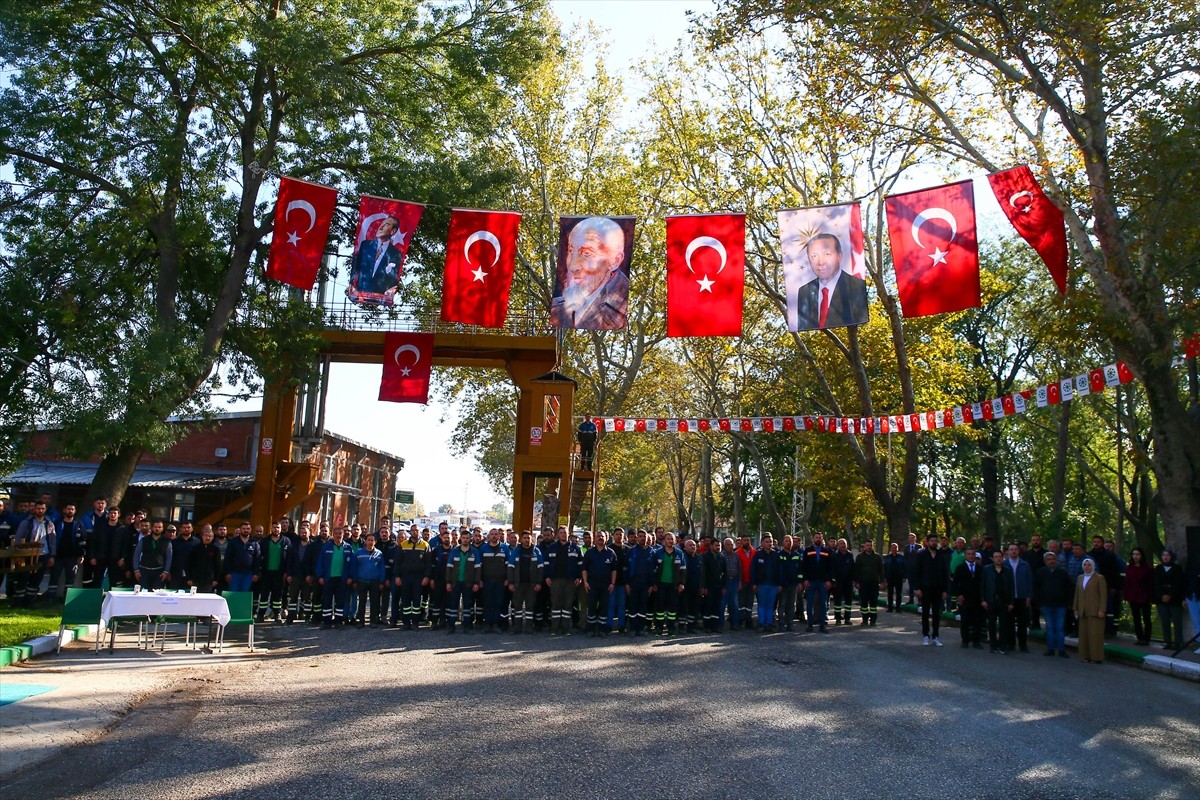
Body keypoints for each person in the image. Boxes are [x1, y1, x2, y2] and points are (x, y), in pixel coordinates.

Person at [550, 216, 629, 330]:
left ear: (615, 261)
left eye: (587, 254)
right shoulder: (558, 307)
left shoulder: (620, 309)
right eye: (571, 251)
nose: (573, 266)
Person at [794, 233, 868, 329]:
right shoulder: (804, 291)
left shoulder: (856, 287)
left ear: (839, 256)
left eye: (827, 254)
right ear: (809, 260)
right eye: (814, 256)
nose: (821, 262)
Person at [13, 500, 56, 606]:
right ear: (34, 509)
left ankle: (30, 600)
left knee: (37, 579)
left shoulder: (49, 523)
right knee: (23, 578)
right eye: (38, 508)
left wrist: (52, 556)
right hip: (27, 554)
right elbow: (18, 538)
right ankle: (19, 601)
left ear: (45, 509)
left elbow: (52, 541)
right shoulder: (26, 522)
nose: (40, 510)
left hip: (43, 554)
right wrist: (18, 554)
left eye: (42, 508)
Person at [351, 215, 403, 296]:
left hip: (380, 296)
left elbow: (393, 278)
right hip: (360, 293)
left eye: (386, 225)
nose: (380, 227)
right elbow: (356, 266)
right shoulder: (365, 245)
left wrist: (392, 289)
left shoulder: (395, 254)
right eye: (381, 223)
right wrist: (351, 284)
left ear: (393, 231)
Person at [1034, 550, 1073, 658]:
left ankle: (1061, 650)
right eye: (1049, 559)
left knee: (1060, 628)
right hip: (1046, 605)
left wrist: (1069, 603)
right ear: (1045, 561)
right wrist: (1038, 603)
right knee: (1050, 627)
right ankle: (1050, 649)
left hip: (1061, 605)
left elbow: (1069, 588)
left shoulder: (1063, 573)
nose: (1051, 561)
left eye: (1053, 559)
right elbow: (1036, 588)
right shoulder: (1040, 572)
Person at [315, 526, 356, 628]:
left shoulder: (348, 547)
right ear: (333, 535)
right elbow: (320, 562)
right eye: (336, 533)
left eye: (340, 534)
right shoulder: (326, 547)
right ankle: (326, 622)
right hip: (328, 579)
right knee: (327, 601)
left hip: (342, 579)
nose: (338, 535)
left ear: (343, 535)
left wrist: (351, 577)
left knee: (340, 601)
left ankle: (339, 621)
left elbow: (353, 564)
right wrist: (320, 576)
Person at [507, 530, 544, 634]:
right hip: (518, 584)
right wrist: (511, 582)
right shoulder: (516, 551)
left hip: (531, 584)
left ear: (531, 539)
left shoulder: (536, 551)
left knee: (530, 607)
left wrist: (539, 583)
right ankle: (517, 628)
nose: (527, 540)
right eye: (525, 538)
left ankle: (529, 628)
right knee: (517, 607)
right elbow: (510, 567)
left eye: (528, 538)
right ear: (521, 539)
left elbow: (541, 568)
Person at [394, 525, 430, 630]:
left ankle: (415, 623)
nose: (415, 532)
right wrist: (397, 576)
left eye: (417, 531)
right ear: (410, 532)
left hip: (419, 577)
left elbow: (428, 564)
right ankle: (406, 623)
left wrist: (427, 577)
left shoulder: (425, 545)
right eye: (413, 530)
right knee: (405, 600)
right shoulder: (403, 544)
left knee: (416, 600)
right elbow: (397, 562)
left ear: (420, 532)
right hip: (405, 577)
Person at [914, 534, 948, 646]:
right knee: (925, 613)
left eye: (935, 541)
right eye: (931, 541)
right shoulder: (921, 555)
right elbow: (916, 572)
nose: (934, 542)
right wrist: (917, 588)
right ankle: (925, 635)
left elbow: (944, 574)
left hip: (938, 588)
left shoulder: (941, 555)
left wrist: (944, 590)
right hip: (925, 588)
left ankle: (936, 636)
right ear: (927, 542)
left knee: (936, 614)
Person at [582, 531, 617, 637]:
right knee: (591, 606)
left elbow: (614, 570)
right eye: (598, 536)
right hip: (592, 584)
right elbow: (584, 569)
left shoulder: (611, 553)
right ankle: (591, 629)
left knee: (604, 606)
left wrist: (612, 583)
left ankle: (602, 629)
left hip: (606, 585)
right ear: (595, 539)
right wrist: (585, 582)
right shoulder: (589, 552)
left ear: (606, 538)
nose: (600, 538)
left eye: (602, 536)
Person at [650, 533, 686, 636]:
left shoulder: (679, 553)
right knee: (660, 608)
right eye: (668, 539)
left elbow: (683, 570)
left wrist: (681, 583)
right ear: (664, 541)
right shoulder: (658, 553)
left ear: (675, 541)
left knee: (672, 609)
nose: (670, 541)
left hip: (673, 585)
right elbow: (653, 570)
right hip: (660, 584)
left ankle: (671, 629)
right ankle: (659, 628)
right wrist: (654, 583)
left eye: (672, 539)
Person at [445, 534, 481, 634]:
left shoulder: (474, 552)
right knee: (453, 604)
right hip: (455, 582)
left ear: (470, 539)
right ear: (461, 539)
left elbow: (478, 569)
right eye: (463, 538)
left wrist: (476, 583)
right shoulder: (454, 551)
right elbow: (449, 567)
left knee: (467, 605)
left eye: (467, 538)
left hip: (468, 583)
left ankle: (467, 627)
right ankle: (451, 627)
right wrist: (448, 582)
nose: (465, 540)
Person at [1074, 557, 1108, 663]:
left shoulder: (1099, 578)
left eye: (1089, 565)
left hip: (1095, 610)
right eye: (1085, 565)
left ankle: (1096, 657)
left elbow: (1103, 595)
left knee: (1095, 635)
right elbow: (1077, 594)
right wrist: (1076, 608)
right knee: (1084, 635)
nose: (1087, 567)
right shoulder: (1080, 578)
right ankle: (1085, 655)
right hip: (1083, 610)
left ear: (1093, 566)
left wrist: (1102, 609)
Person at [477, 528, 510, 633]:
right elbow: (479, 566)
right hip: (487, 581)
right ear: (489, 536)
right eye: (492, 534)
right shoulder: (483, 549)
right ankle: (487, 624)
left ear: (499, 536)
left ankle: (495, 624)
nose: (494, 536)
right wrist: (480, 580)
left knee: (498, 603)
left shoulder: (504, 548)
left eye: (496, 534)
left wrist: (507, 579)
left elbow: (509, 566)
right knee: (487, 603)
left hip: (500, 581)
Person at [257, 522, 290, 623]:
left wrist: (287, 571)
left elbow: (290, 558)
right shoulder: (264, 541)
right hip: (266, 573)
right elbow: (258, 557)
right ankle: (261, 614)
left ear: (281, 529)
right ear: (271, 528)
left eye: (278, 528)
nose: (276, 529)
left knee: (277, 596)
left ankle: (277, 614)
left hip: (279, 574)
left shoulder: (286, 541)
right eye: (274, 527)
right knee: (264, 595)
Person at [981, 549, 1012, 654]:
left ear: (1003, 558)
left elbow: (1012, 587)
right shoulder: (987, 570)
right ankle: (993, 645)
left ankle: (1002, 645)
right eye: (996, 557)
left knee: (1004, 624)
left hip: (1004, 600)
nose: (998, 559)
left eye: (1000, 556)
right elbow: (982, 586)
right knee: (992, 624)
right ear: (992, 559)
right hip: (991, 600)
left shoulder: (1008, 570)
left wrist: (1011, 602)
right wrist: (983, 600)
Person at [1004, 542, 1034, 653]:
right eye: (1011, 549)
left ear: (1018, 551)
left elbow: (1029, 581)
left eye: (1015, 549)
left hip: (1022, 598)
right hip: (1009, 599)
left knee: (1022, 623)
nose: (1013, 551)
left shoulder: (1024, 565)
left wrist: (1029, 596)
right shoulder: (1004, 564)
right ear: (1008, 551)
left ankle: (1023, 644)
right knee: (1009, 623)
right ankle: (1010, 644)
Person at [952, 547, 984, 648]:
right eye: (969, 554)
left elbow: (983, 584)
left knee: (977, 621)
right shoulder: (960, 568)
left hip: (977, 598)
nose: (971, 556)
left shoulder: (980, 568)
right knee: (965, 620)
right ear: (965, 556)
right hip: (964, 598)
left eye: (973, 554)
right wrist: (959, 595)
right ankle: (965, 640)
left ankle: (976, 641)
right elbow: (955, 583)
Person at [1153, 549, 1185, 650]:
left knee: (1177, 621)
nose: (1165, 557)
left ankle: (1178, 642)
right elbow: (1156, 583)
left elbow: (1179, 584)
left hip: (1175, 599)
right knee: (1165, 621)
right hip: (1161, 599)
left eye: (1167, 555)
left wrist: (1170, 595)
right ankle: (1167, 642)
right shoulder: (1158, 568)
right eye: (1163, 555)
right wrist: (1162, 595)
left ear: (1171, 557)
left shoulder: (1177, 568)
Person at [353, 534, 386, 626]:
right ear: (365, 541)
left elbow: (382, 568)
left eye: (372, 540)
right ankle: (361, 621)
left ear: (375, 542)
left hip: (375, 581)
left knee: (374, 602)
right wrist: (354, 580)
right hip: (361, 580)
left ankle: (373, 621)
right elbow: (354, 567)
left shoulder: (379, 554)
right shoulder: (359, 553)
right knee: (362, 601)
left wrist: (382, 581)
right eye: (368, 540)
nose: (370, 542)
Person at [1123, 547, 1154, 645]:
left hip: (1144, 596)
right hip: (1133, 596)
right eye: (1134, 554)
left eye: (1138, 554)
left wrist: (1151, 597)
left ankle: (1147, 638)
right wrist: (1126, 595)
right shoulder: (1130, 568)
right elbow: (1127, 582)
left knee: (1146, 618)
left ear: (1141, 555)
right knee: (1136, 618)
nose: (1135, 556)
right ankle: (1139, 637)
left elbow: (1150, 584)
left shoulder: (1147, 568)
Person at [803, 534, 833, 633]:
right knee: (809, 603)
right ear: (813, 539)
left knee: (823, 604)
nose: (818, 539)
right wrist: (805, 579)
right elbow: (804, 566)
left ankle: (822, 625)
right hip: (811, 581)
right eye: (816, 537)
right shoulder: (807, 551)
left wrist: (829, 580)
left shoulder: (827, 551)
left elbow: (830, 568)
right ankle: (810, 624)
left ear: (822, 539)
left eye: (820, 537)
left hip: (823, 581)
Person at [751, 534, 781, 634]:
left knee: (770, 605)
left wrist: (779, 584)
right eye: (767, 542)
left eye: (770, 542)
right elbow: (753, 570)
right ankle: (761, 623)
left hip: (773, 584)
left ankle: (769, 623)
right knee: (762, 605)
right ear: (762, 543)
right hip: (761, 584)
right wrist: (754, 583)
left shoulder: (776, 555)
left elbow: (780, 570)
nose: (769, 544)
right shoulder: (758, 555)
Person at [132, 519, 172, 591]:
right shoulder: (144, 540)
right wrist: (136, 570)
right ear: (152, 528)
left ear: (162, 529)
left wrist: (166, 571)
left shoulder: (167, 541)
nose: (157, 529)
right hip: (144, 571)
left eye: (159, 527)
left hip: (159, 572)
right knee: (143, 593)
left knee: (156, 595)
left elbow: (169, 557)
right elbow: (136, 555)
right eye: (155, 527)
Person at [853, 539, 883, 627]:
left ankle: (873, 620)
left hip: (874, 583)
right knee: (864, 603)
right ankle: (865, 619)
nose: (869, 547)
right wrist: (856, 582)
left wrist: (882, 582)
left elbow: (881, 571)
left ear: (872, 546)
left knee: (873, 603)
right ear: (865, 546)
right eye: (867, 545)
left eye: (870, 545)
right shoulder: (860, 557)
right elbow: (856, 570)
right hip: (863, 583)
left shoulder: (877, 557)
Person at [224, 523, 260, 593]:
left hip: (248, 574)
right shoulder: (233, 542)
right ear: (240, 530)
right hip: (234, 574)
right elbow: (228, 558)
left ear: (250, 530)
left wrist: (256, 573)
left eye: (248, 529)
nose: (246, 530)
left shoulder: (254, 543)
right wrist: (227, 572)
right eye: (244, 529)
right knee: (233, 594)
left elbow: (257, 559)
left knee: (245, 595)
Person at [777, 535, 803, 631]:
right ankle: (781, 624)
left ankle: (790, 624)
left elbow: (800, 570)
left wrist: (800, 582)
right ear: (783, 543)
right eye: (786, 541)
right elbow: (777, 571)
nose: (789, 543)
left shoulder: (796, 555)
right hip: (783, 584)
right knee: (782, 605)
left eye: (790, 541)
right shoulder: (779, 555)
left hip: (793, 584)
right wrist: (778, 584)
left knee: (791, 605)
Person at [830, 538, 856, 625]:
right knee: (837, 601)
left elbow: (853, 568)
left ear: (846, 545)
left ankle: (847, 618)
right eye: (841, 544)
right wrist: (833, 580)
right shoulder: (834, 555)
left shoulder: (850, 555)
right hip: (838, 582)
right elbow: (832, 569)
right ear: (838, 545)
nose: (843, 545)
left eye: (844, 544)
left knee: (848, 601)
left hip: (848, 582)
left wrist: (854, 580)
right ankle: (838, 618)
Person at [883, 542, 906, 612]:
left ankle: (898, 608)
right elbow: (884, 568)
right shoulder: (887, 558)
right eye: (893, 548)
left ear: (897, 549)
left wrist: (904, 577)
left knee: (899, 594)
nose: (894, 549)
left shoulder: (901, 558)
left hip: (899, 577)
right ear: (890, 549)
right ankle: (890, 607)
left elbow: (905, 567)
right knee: (890, 593)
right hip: (890, 578)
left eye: (895, 548)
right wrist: (884, 578)